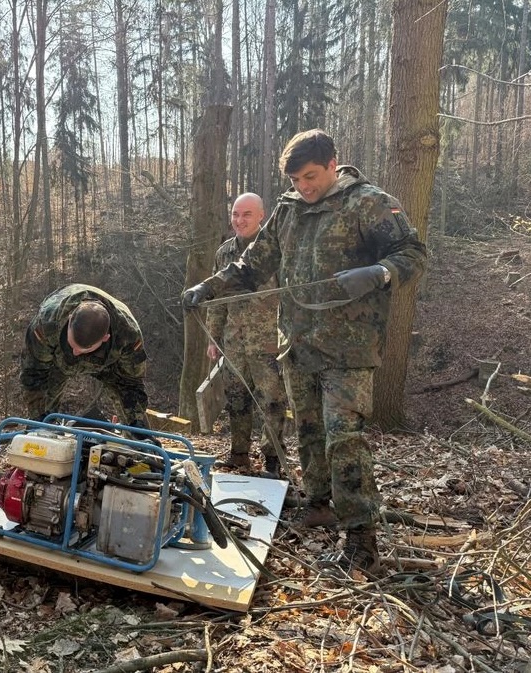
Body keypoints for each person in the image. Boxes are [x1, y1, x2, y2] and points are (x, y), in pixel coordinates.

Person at [182, 129, 427, 575]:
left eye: (311, 177)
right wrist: (207, 287)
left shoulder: (368, 202)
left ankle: (362, 542)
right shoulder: (288, 210)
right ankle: (318, 504)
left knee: (344, 439)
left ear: (333, 163)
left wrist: (380, 272)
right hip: (297, 342)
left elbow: (412, 251)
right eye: (296, 180)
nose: (305, 187)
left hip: (349, 346)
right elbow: (252, 264)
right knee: (310, 432)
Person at [206, 193, 287, 477]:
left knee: (272, 401)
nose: (240, 220)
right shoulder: (224, 253)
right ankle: (239, 453)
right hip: (234, 342)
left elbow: (289, 298)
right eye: (236, 214)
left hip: (268, 342)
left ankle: (273, 460)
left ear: (261, 216)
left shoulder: (274, 251)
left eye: (247, 214)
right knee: (236, 398)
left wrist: (290, 337)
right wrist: (213, 337)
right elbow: (216, 300)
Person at [20, 284, 154, 440]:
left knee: (138, 429)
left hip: (111, 364)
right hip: (56, 361)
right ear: (70, 319)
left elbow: (131, 383)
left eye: (84, 350)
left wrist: (135, 423)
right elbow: (33, 374)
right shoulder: (47, 323)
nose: (76, 353)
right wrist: (38, 418)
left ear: (105, 338)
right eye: (73, 346)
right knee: (42, 424)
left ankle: (141, 447)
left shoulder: (128, 335)